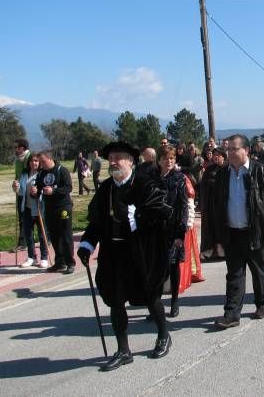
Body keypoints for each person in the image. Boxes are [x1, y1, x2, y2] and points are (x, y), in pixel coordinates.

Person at [77, 141, 174, 371]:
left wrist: (135, 216)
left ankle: (163, 334)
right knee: (115, 300)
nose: (113, 161)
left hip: (141, 253)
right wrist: (87, 244)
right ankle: (123, 350)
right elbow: (96, 221)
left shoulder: (146, 184)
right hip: (113, 253)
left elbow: (162, 211)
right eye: (111, 157)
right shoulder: (106, 189)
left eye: (118, 157)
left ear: (130, 161)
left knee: (151, 298)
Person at [213, 134, 264, 329]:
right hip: (231, 233)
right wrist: (218, 235)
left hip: (255, 231)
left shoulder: (261, 171)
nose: (231, 153)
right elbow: (218, 205)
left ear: (246, 150)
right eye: (229, 149)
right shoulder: (223, 174)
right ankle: (232, 313)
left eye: (235, 149)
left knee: (259, 271)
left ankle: (262, 303)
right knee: (234, 274)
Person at [154, 145, 188, 318]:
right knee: (156, 268)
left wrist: (181, 232)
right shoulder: (151, 178)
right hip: (155, 229)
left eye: (172, 158)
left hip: (173, 228)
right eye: (166, 158)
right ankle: (156, 304)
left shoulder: (179, 178)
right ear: (159, 160)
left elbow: (183, 206)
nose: (169, 161)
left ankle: (175, 300)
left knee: (173, 266)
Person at [33, 150, 76, 273]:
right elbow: (38, 190)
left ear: (50, 159)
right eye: (40, 162)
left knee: (65, 235)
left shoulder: (62, 170)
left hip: (63, 207)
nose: (41, 164)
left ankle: (70, 262)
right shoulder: (41, 173)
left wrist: (53, 191)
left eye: (43, 161)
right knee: (54, 235)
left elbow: (68, 187)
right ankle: (59, 262)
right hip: (49, 208)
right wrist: (35, 191)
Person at [16, 154, 49, 268]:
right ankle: (31, 257)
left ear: (39, 162)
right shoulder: (24, 174)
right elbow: (20, 192)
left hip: (40, 208)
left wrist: (38, 190)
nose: (33, 163)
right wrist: (16, 187)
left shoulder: (43, 174)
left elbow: (46, 189)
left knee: (42, 234)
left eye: (36, 161)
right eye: (31, 161)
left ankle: (44, 258)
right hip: (27, 208)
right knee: (28, 234)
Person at [199, 147, 227, 261]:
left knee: (221, 228)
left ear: (223, 157)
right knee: (209, 228)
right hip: (210, 205)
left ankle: (222, 252)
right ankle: (209, 252)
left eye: (218, 155)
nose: (215, 157)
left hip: (223, 206)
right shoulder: (208, 170)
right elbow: (202, 188)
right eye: (214, 155)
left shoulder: (227, 169)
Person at [12, 138, 31, 248]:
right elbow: (17, 176)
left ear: (22, 148)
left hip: (30, 192)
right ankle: (23, 242)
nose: (15, 150)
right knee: (22, 218)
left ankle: (46, 237)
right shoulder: (18, 160)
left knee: (37, 217)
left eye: (16, 147)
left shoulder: (30, 158)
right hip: (20, 192)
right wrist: (14, 185)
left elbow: (26, 175)